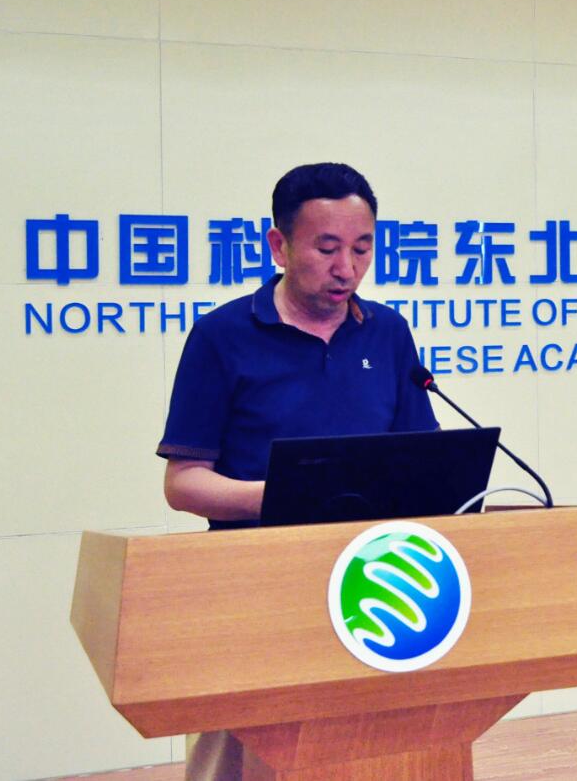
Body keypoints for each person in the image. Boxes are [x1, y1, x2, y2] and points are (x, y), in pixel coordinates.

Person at [156, 162, 438, 779]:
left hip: (376, 584)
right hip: (255, 586)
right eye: (327, 248)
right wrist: (288, 495)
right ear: (279, 246)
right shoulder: (222, 336)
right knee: (242, 758)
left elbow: (423, 458)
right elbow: (184, 482)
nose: (347, 268)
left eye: (362, 248)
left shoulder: (388, 333)